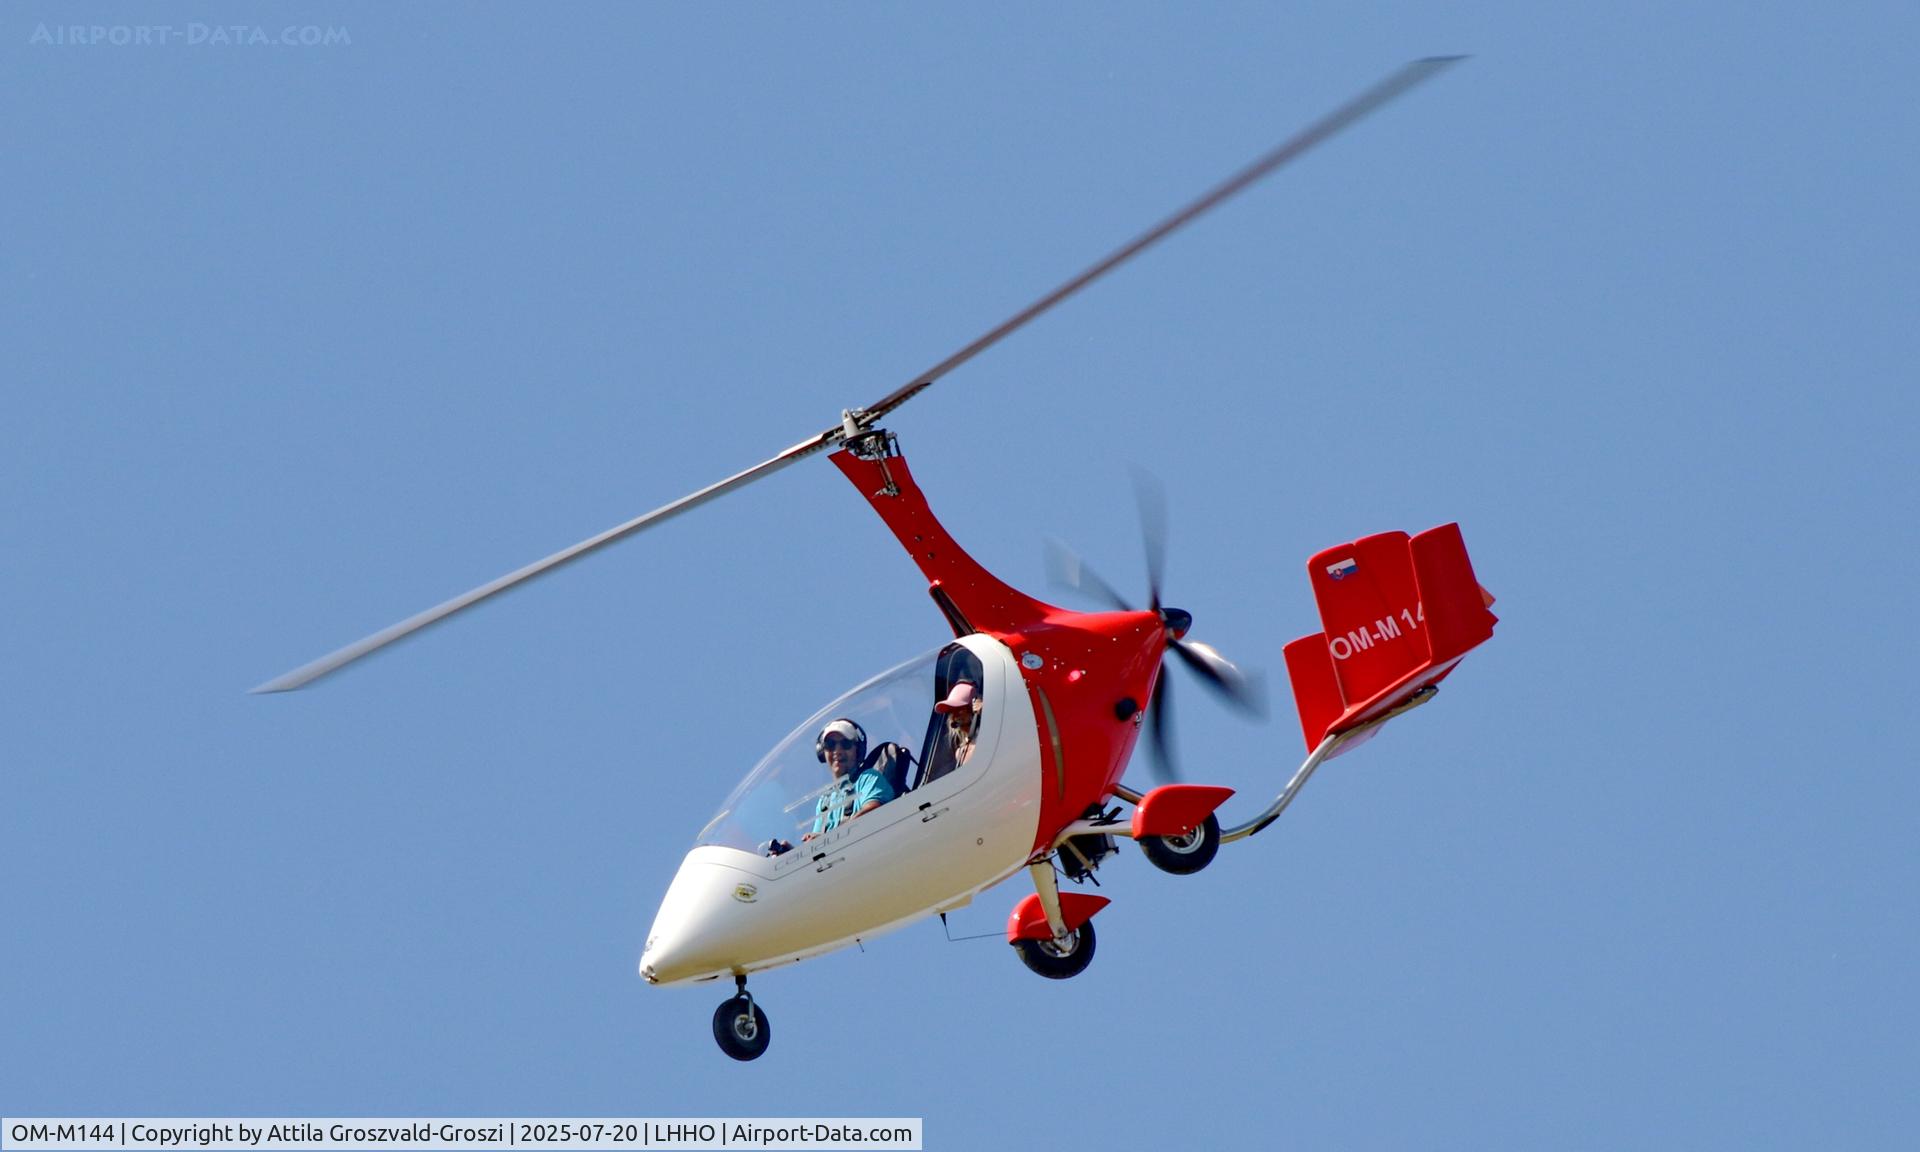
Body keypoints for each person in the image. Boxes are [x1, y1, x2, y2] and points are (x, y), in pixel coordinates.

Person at [803, 717, 896, 840]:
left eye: (845, 744)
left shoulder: (868, 778)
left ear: (858, 751)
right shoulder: (825, 800)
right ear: (823, 753)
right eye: (830, 745)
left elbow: (873, 814)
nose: (838, 751)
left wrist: (830, 838)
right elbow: (817, 841)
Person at [936, 680, 982, 768]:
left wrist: (987, 710)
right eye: (952, 711)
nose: (955, 715)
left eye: (959, 709)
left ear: (973, 708)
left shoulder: (989, 734)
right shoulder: (960, 753)